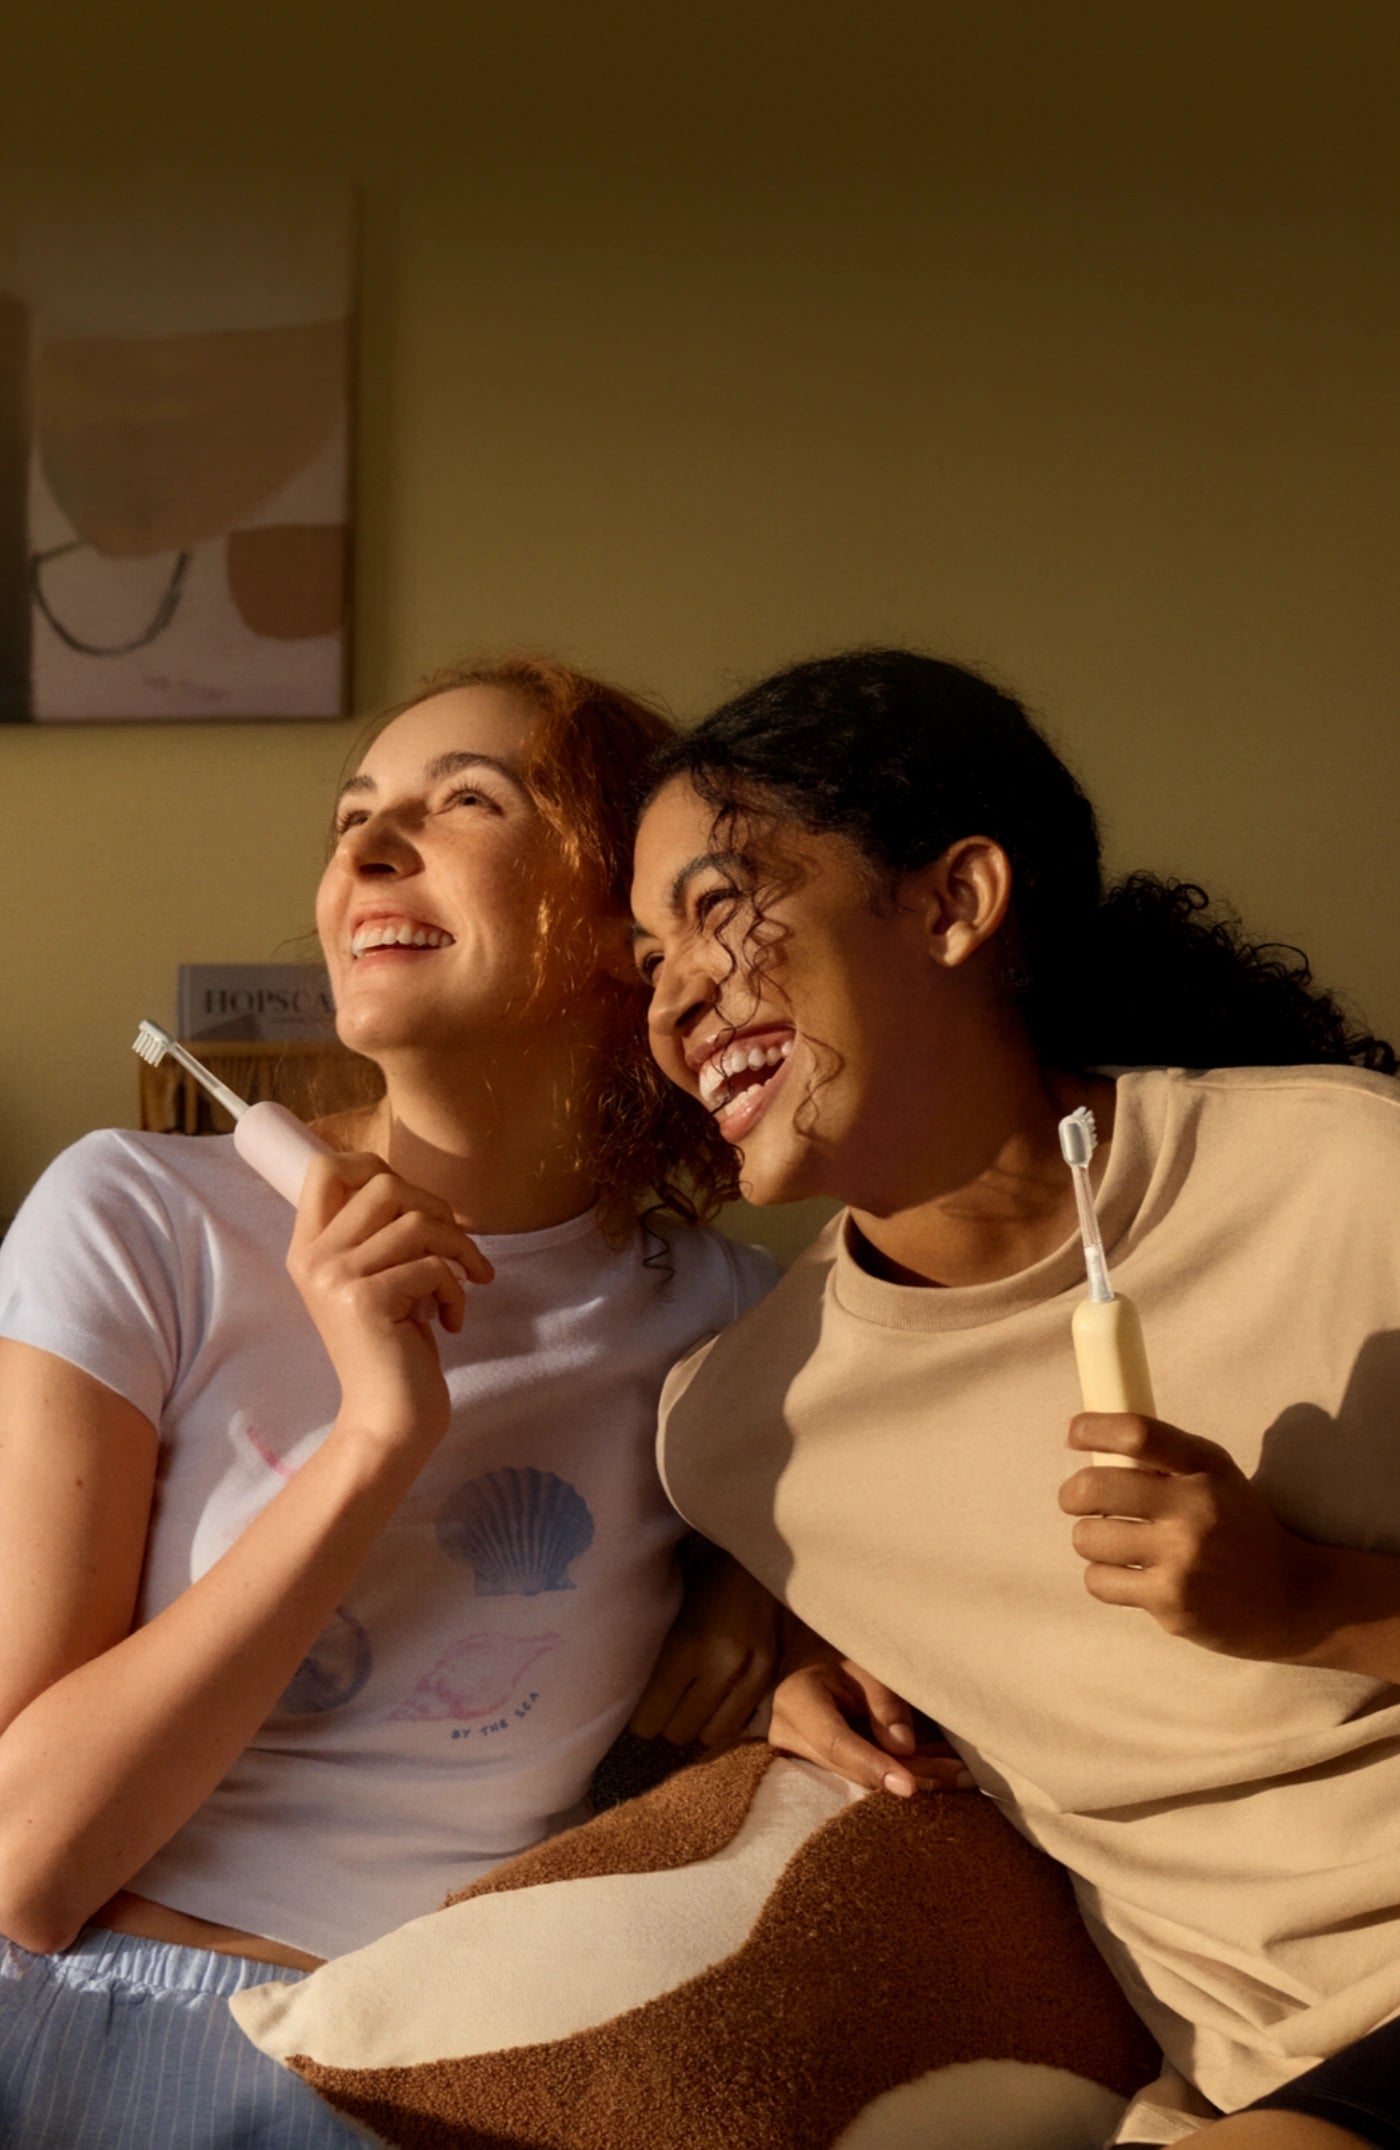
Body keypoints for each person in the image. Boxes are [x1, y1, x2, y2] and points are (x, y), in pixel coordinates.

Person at [0, 654, 777, 2148]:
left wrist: (770, 1607)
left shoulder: (731, 1320)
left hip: (447, 2061)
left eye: (468, 800)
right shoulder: (135, 1215)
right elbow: (27, 1861)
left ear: (638, 920)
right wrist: (375, 1437)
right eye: (357, 814)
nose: (364, 847)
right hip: (88, 2017)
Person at [629, 647, 1400, 2150]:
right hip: (1267, 2075)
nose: (671, 997)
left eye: (719, 906)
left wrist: (1310, 1595)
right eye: (645, 957)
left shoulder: (1355, 1183)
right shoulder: (739, 1435)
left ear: (955, 901)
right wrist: (788, 1646)